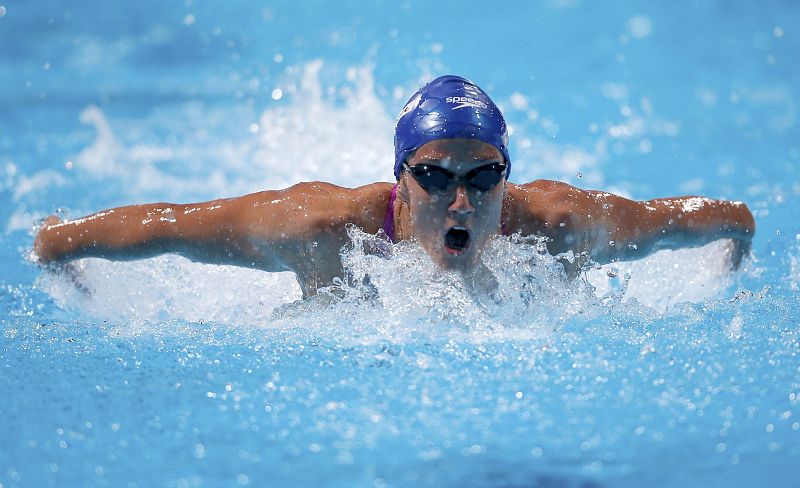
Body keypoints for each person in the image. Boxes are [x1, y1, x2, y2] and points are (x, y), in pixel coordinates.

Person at [34, 75, 755, 299]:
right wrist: (61, 243)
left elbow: (727, 219)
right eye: (435, 178)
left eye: (482, 177)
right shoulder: (319, 229)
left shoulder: (563, 224)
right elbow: (171, 225)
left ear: (509, 173)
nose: (461, 202)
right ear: (400, 180)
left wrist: (732, 262)